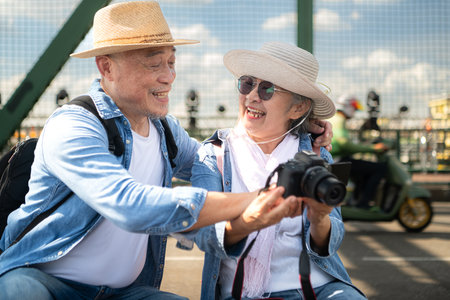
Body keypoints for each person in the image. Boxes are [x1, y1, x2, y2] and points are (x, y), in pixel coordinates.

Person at [0, 2, 333, 299]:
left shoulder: (166, 132)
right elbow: (129, 205)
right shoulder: (73, 125)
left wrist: (304, 127)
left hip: (126, 293)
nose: (168, 77)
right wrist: (258, 198)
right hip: (46, 283)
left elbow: (224, 158)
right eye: (153, 64)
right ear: (106, 68)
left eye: (171, 63)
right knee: (20, 291)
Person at [187, 42, 366, 300]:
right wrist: (252, 221)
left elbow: (331, 241)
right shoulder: (213, 155)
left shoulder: (317, 153)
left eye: (267, 88)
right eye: (247, 83)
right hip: (241, 293)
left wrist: (319, 218)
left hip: (318, 289)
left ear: (298, 108)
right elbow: (203, 235)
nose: (252, 96)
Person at [330, 94, 388, 209]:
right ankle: (363, 204)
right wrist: (373, 149)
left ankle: (355, 200)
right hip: (337, 161)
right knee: (380, 168)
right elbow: (344, 145)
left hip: (335, 159)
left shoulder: (335, 118)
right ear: (348, 107)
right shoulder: (339, 120)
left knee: (363, 169)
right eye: (354, 109)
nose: (355, 112)